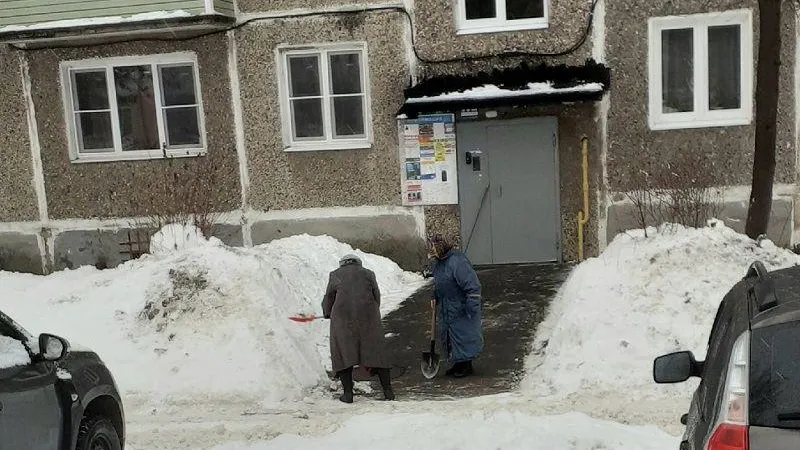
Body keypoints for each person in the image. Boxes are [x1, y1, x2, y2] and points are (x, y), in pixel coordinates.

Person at [322, 254, 395, 403]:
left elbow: (329, 297)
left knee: (343, 353)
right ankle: (388, 391)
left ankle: (348, 394)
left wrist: (327, 313)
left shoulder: (335, 275)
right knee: (377, 352)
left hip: (343, 320)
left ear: (342, 264)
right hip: (368, 317)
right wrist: (372, 312)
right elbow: (377, 295)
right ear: (358, 263)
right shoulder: (368, 274)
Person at [428, 235, 484, 378]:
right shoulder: (439, 264)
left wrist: (472, 305)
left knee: (463, 336)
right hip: (447, 307)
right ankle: (458, 364)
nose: (431, 250)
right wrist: (435, 295)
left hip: (460, 307)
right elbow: (440, 283)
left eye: (433, 247)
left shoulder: (457, 262)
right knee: (450, 337)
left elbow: (472, 286)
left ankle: (466, 365)